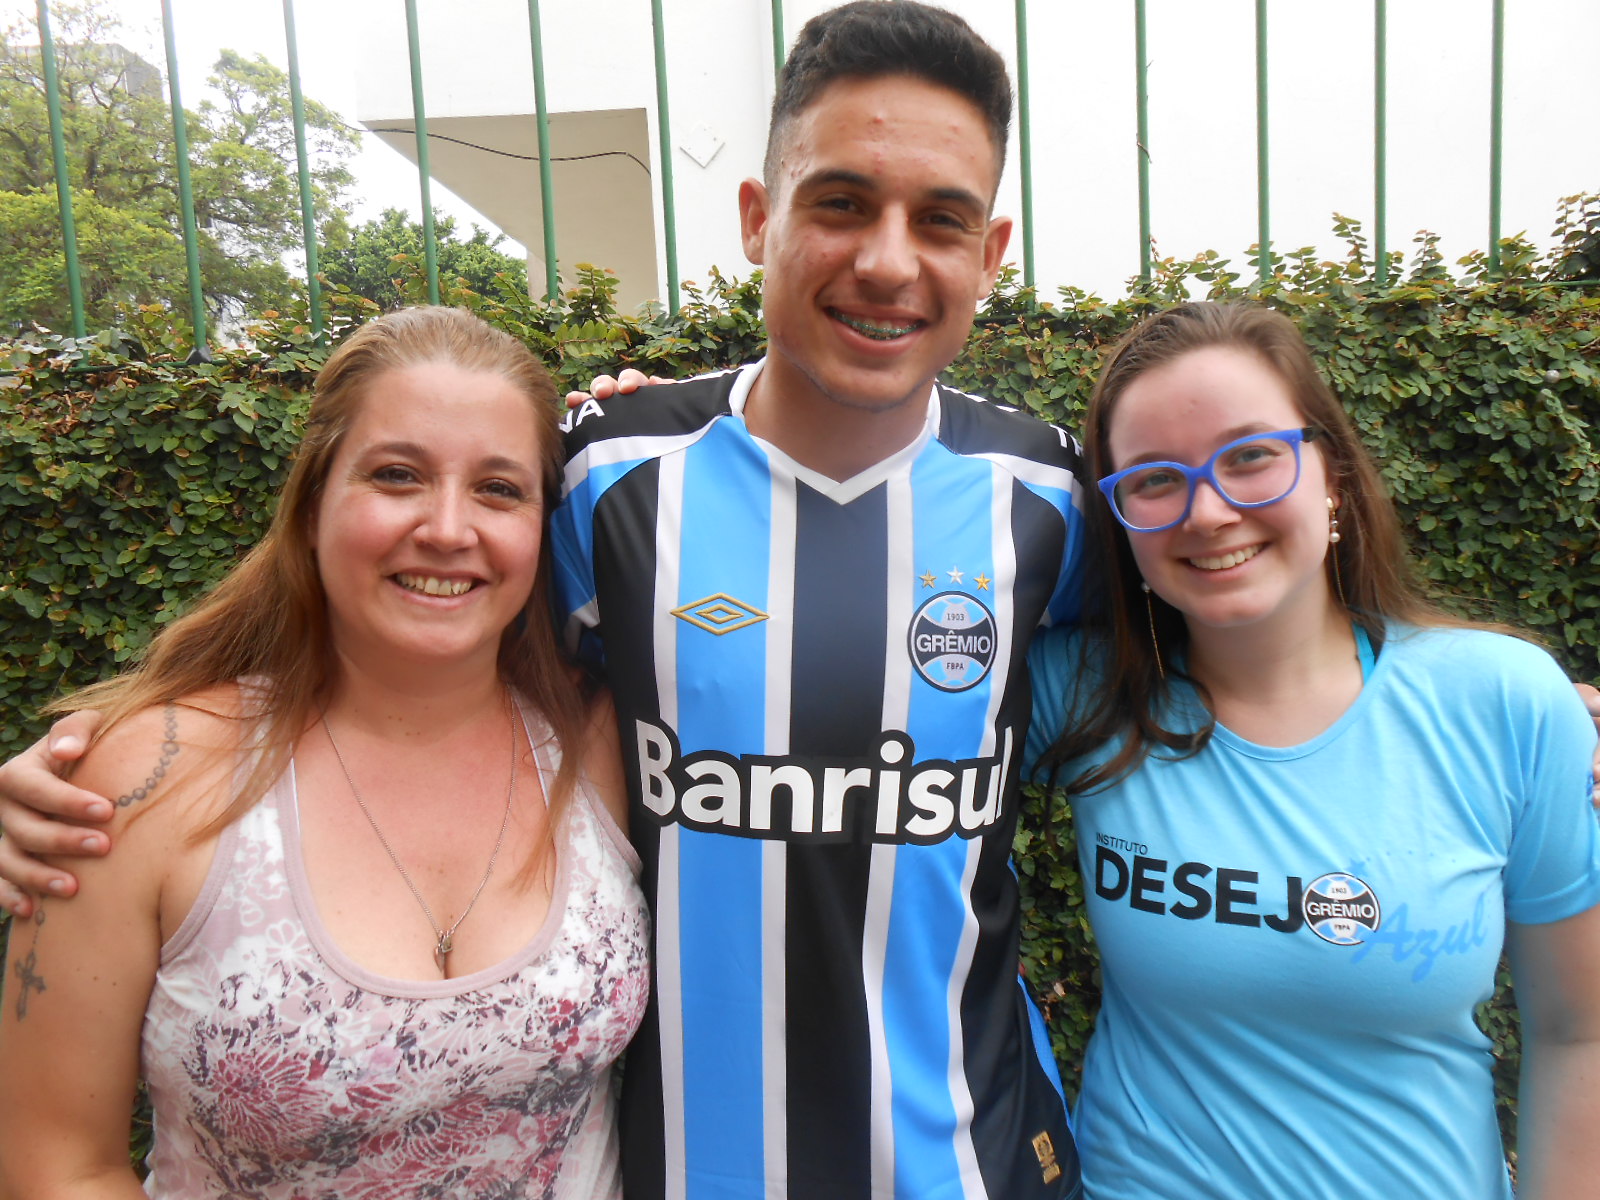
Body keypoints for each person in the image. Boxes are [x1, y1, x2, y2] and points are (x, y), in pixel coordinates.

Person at [0, 306, 650, 1198]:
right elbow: (57, 1166)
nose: (449, 529)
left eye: (500, 489)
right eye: (396, 475)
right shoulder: (145, 779)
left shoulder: (606, 742)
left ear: (547, 526)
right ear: (312, 503)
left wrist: (653, 441)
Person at [1025, 301, 1600, 1198]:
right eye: (1154, 479)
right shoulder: (1084, 694)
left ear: (1328, 471)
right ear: (1121, 519)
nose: (1209, 511)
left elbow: (1580, 1033)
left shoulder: (1505, 705)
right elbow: (847, 731)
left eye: (1252, 456)